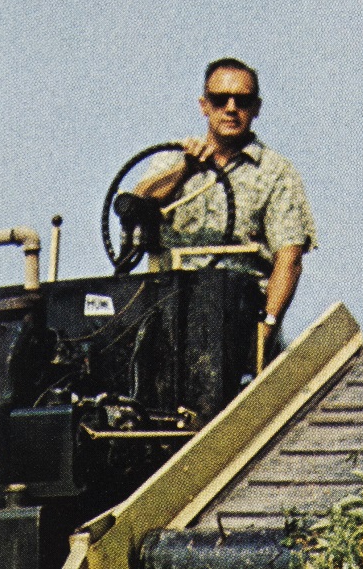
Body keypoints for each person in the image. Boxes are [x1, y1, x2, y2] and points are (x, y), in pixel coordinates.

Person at [134, 58, 316, 362]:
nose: (231, 108)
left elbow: (289, 258)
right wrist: (185, 171)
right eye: (220, 100)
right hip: (169, 316)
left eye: (242, 100)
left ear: (256, 107)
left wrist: (266, 330)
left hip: (239, 319)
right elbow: (137, 206)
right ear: (204, 105)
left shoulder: (275, 172)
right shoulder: (172, 160)